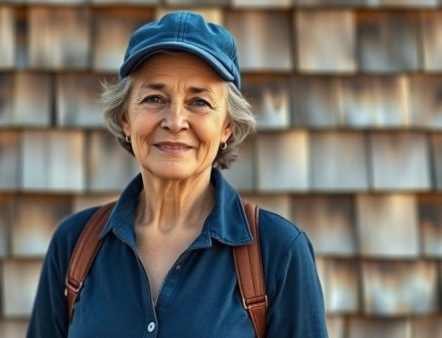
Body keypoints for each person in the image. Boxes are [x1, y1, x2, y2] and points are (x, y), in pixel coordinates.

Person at [27, 11, 327, 337]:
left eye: (199, 101)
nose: (175, 121)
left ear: (227, 126)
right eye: (155, 98)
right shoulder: (73, 245)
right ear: (126, 118)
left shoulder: (279, 251)